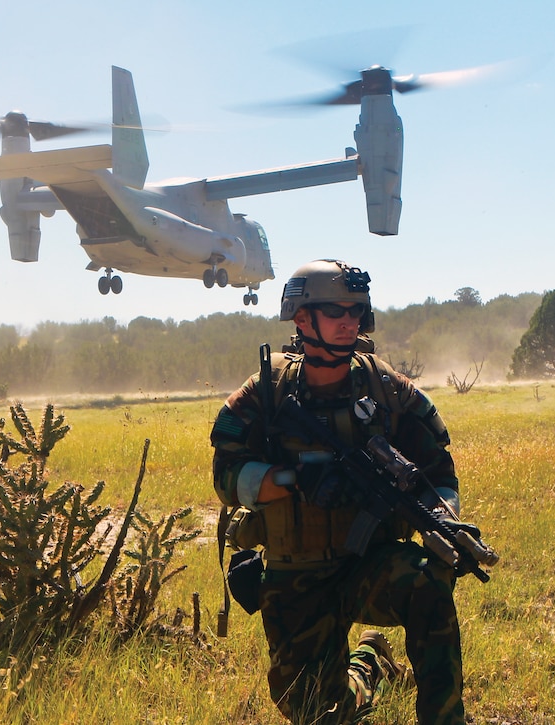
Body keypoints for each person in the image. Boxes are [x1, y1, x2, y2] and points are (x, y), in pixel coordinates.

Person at [210, 259, 467, 724]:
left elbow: (437, 469)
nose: (349, 321)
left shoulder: (385, 389)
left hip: (370, 562)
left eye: (356, 311)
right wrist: (290, 480)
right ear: (302, 318)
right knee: (319, 712)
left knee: (430, 579)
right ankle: (370, 664)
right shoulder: (265, 392)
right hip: (296, 574)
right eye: (335, 311)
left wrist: (443, 521)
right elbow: (226, 474)